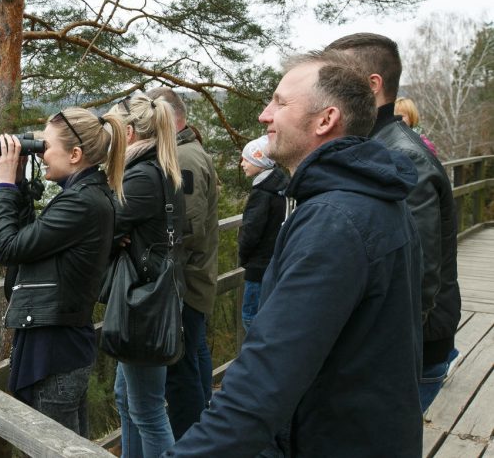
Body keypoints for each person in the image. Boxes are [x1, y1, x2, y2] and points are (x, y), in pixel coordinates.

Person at [165, 52, 423, 457]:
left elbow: (262, 382)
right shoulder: (375, 197)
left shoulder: (334, 222)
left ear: (326, 120)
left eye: (280, 103)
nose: (265, 115)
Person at [327, 33, 460, 411]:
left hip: (408, 352)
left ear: (373, 85)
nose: (326, 86)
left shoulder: (404, 158)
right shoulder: (373, 145)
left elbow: (418, 276)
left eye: (336, 76)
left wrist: (374, 355)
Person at [0, 107, 126, 436]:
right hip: (62, 345)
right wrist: (20, 184)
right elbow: (26, 245)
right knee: (70, 444)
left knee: (54, 446)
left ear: (76, 154)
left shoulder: (81, 203)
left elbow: (6, 248)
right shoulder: (86, 195)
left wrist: (5, 185)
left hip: (55, 350)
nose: (42, 154)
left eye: (46, 146)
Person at [104, 93, 185, 457]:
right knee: (128, 398)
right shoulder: (160, 168)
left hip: (143, 304)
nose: (110, 140)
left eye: (114, 131)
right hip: (155, 295)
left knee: (148, 410)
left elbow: (97, 225)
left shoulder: (140, 178)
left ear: (132, 133)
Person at [147, 86, 220, 437]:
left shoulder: (184, 158)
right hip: (192, 278)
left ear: (167, 117)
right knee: (191, 361)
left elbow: (185, 227)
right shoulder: (186, 152)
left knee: (181, 372)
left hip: (186, 283)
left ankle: (190, 441)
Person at [236, 135, 287, 330]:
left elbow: (250, 232)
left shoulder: (261, 194)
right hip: (274, 266)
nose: (242, 163)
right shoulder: (280, 187)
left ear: (260, 160)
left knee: (251, 319)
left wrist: (244, 259)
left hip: (258, 269)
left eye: (246, 159)